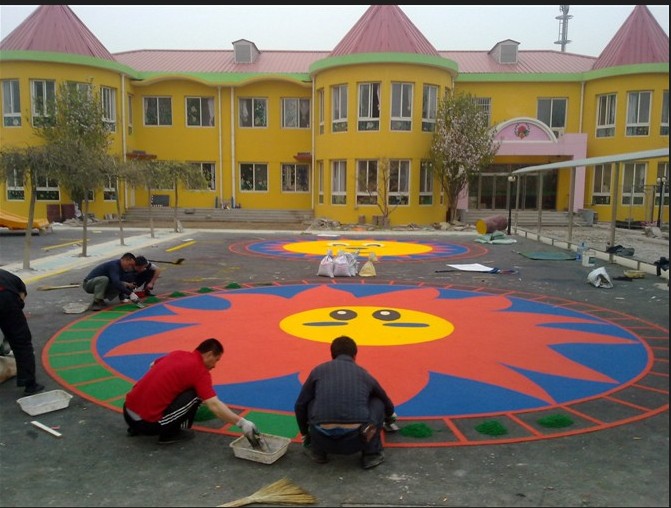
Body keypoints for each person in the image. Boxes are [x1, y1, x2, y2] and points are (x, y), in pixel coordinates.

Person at [123, 338, 259, 445]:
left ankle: (137, 425)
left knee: (177, 385)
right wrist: (241, 423)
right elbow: (214, 405)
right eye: (216, 360)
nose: (214, 366)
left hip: (127, 412)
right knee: (195, 395)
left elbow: (152, 365)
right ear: (209, 354)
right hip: (148, 425)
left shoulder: (178, 353)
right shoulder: (200, 371)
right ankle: (170, 433)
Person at [294, 335, 396, 469]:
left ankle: (317, 452)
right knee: (378, 402)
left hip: (321, 439)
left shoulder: (318, 371)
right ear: (355, 355)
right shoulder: (363, 374)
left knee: (311, 400)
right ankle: (371, 454)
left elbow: (300, 405)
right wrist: (389, 417)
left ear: (332, 354)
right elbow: (386, 401)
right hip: (357, 440)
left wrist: (306, 434)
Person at [0, 268, 45, 395]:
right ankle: (29, 383)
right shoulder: (9, 277)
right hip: (8, 302)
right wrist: (18, 307)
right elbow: (21, 295)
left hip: (7, 300)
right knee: (22, 344)